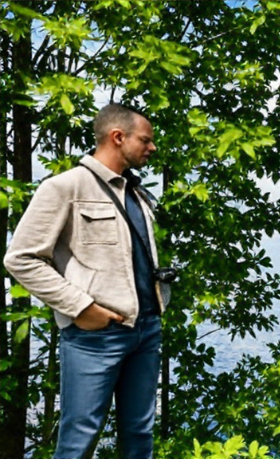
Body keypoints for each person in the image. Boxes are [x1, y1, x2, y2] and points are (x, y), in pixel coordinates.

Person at [4, 103, 169, 459]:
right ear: (117, 136)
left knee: (140, 434)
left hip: (146, 330)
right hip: (95, 336)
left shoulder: (137, 194)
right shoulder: (65, 187)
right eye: (146, 139)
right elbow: (20, 258)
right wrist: (82, 308)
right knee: (80, 438)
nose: (152, 147)